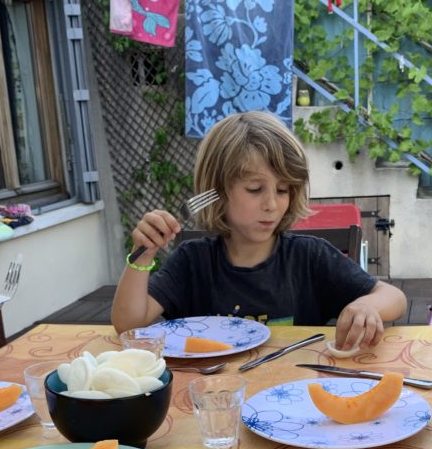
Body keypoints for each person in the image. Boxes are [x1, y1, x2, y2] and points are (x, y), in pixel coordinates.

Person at [110, 110, 406, 349]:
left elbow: (394, 297)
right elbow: (128, 325)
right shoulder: (193, 262)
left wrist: (367, 305)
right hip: (213, 395)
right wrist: (142, 256)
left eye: (282, 190)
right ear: (216, 192)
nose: (272, 205)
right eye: (254, 189)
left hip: (291, 391)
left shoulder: (309, 257)